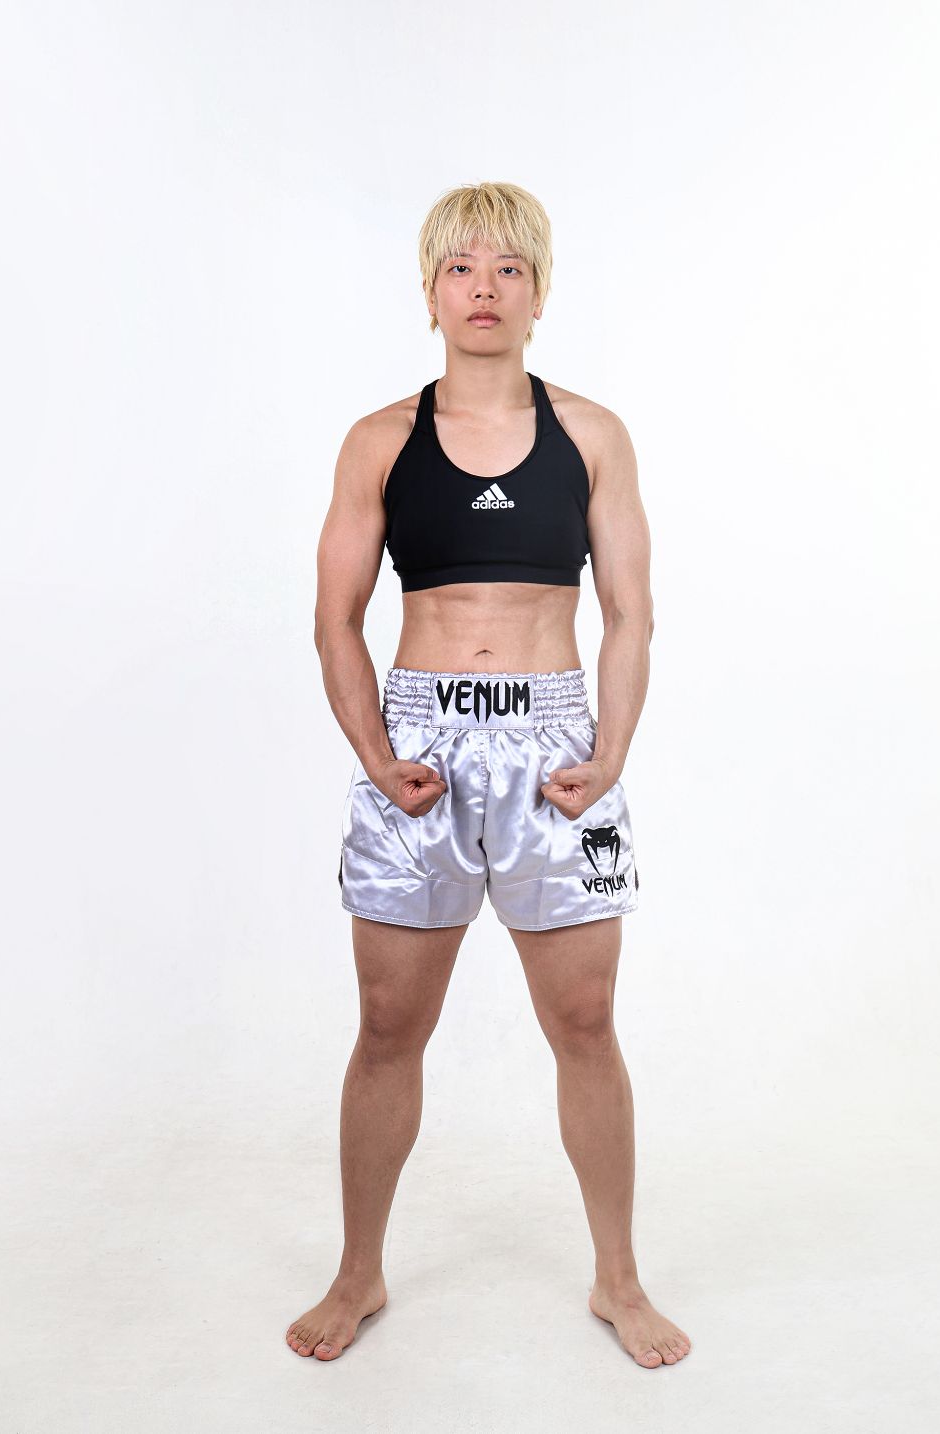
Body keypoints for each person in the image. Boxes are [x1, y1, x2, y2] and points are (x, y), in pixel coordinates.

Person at [286, 182, 691, 1370]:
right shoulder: (378, 440)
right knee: (387, 1026)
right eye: (461, 268)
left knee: (586, 1022)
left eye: (509, 269)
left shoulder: (593, 434)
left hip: (553, 743)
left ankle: (617, 1279)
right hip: (421, 741)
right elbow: (333, 620)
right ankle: (358, 1272)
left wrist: (609, 754)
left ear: (538, 293)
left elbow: (630, 615)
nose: (484, 288)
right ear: (430, 293)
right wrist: (376, 755)